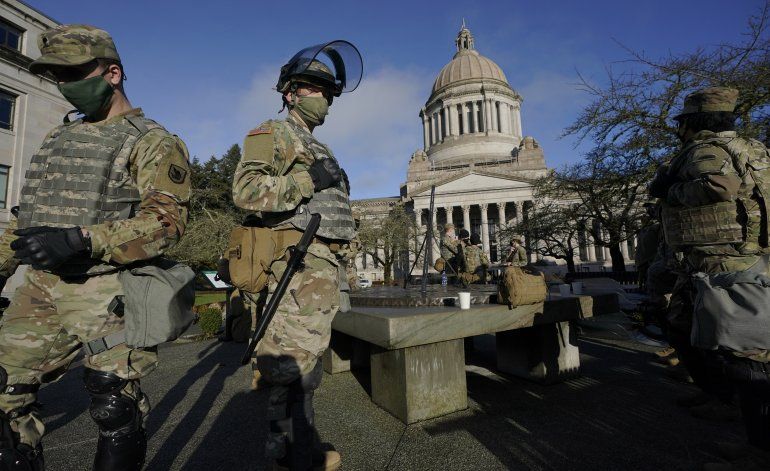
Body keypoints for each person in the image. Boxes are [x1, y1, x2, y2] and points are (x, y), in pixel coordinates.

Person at [0, 25, 191, 470]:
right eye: (57, 77)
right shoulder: (57, 139)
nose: (66, 86)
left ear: (113, 73)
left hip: (107, 291)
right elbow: (25, 220)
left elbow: (166, 223)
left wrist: (80, 239)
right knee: (6, 391)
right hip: (39, 290)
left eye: (74, 73)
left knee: (114, 404)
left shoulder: (153, 141)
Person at [232, 40, 362, 471]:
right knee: (295, 371)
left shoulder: (320, 147)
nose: (324, 97)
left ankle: (292, 447)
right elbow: (247, 193)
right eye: (314, 88)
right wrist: (308, 179)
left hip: (320, 270)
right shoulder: (274, 132)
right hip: (297, 266)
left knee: (304, 366)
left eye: (328, 91)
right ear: (291, 93)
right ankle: (295, 454)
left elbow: (335, 217)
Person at [649, 87, 770, 469]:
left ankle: (759, 450)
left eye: (682, 123)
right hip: (733, 259)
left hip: (726, 262)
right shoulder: (755, 149)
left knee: (747, 356)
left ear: (692, 123)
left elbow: (719, 187)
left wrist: (670, 190)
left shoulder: (706, 151)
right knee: (683, 325)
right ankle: (719, 397)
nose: (678, 130)